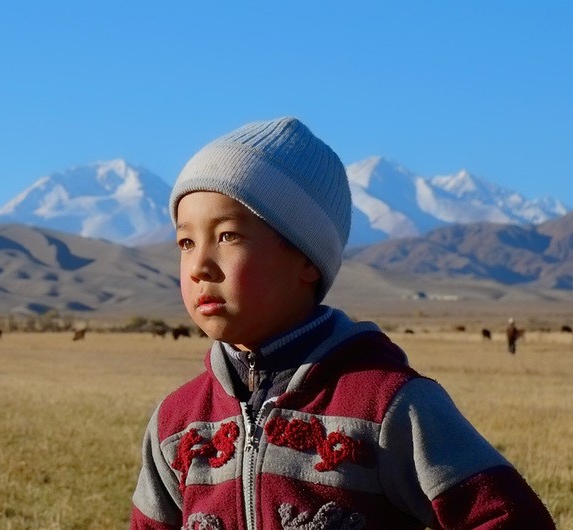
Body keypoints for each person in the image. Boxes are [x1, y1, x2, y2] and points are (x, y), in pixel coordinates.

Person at [130, 117, 555, 529]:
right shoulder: (177, 423)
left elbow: (508, 516)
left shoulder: (387, 406)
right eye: (186, 242)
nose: (199, 265)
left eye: (228, 236)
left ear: (305, 260)